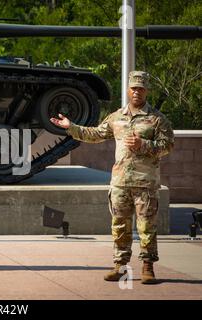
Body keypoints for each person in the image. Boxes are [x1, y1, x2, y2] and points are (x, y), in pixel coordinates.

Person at [50, 71, 174, 284]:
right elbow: (96, 134)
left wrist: (143, 145)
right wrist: (71, 127)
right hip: (120, 183)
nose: (137, 92)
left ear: (147, 91)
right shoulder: (117, 117)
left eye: (141, 88)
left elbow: (167, 146)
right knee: (119, 226)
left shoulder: (157, 119)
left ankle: (147, 267)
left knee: (146, 227)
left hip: (145, 182)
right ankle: (120, 266)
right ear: (128, 90)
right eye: (134, 88)